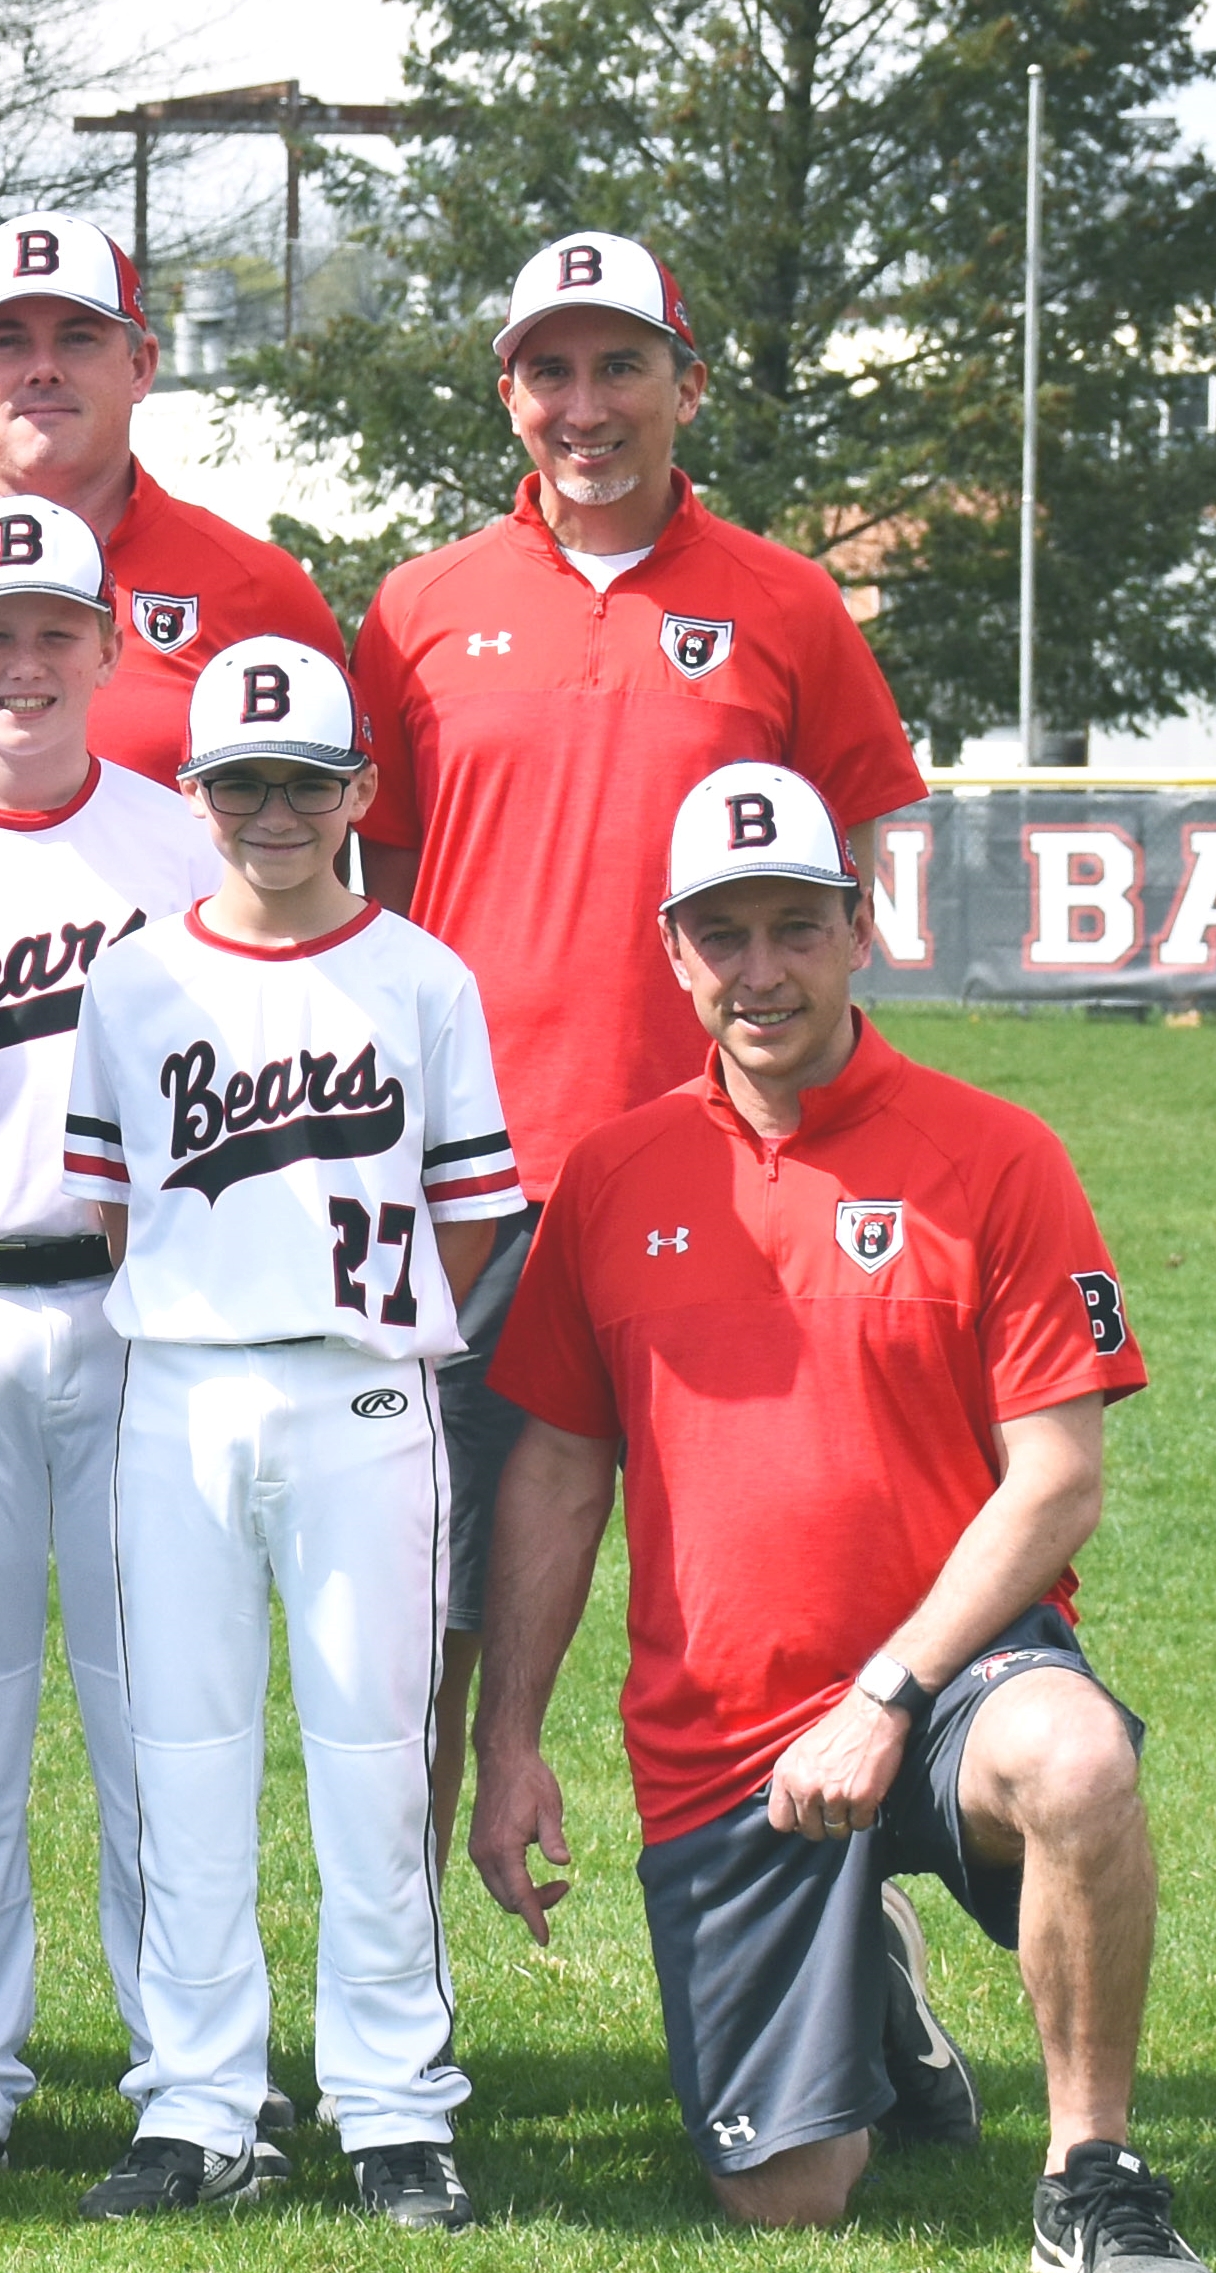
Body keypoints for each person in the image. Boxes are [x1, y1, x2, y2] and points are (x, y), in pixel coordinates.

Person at [468, 767, 1216, 2273]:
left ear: (856, 927)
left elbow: (1054, 1482)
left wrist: (882, 1696)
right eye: (721, 935)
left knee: (1074, 1760)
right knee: (783, 2199)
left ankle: (1090, 2181)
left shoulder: (992, 1153)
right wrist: (509, 1739)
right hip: (722, 1734)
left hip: (948, 1681)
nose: (760, 970)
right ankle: (874, 2002)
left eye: (793, 928)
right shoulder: (610, 1177)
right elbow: (553, 1470)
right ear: (671, 952)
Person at [350, 229, 932, 1829]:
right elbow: (378, 913)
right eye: (549, 369)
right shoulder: (413, 609)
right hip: (476, 1175)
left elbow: (842, 884)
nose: (584, 403)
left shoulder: (784, 600)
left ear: (684, 382)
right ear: (505, 395)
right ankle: (404, 2008)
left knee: (765, 1572)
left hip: (719, 1169)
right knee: (437, 1598)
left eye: (618, 365)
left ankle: (837, 1956)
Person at [60, 639, 522, 2233]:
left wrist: (369, 1329)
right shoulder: (132, 977)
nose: (269, 809)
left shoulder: (420, 974)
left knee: (370, 1762)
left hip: (358, 1393)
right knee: (177, 1755)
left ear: (356, 794)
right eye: (238, 781)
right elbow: (111, 1201)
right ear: (192, 794)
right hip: (180, 1390)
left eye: (300, 782)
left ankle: (391, 2104)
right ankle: (200, 2099)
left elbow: (466, 1216)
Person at [0, 494, 214, 2175]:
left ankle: (188, 2067)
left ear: (106, 642)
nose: (17, 662)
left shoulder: (185, 845)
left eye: (47, 630)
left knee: (159, 1707)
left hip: (139, 1317)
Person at [0, 214, 343, 810]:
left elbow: (317, 866)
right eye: (7, 341)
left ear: (141, 366)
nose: (44, 367)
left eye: (78, 337)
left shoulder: (260, 591)